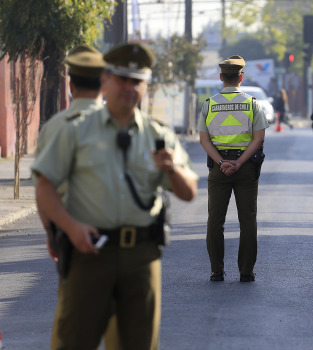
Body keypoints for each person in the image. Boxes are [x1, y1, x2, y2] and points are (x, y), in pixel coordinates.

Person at [33, 42, 198, 349]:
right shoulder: (76, 130)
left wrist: (172, 169)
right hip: (90, 251)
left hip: (142, 257)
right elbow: (45, 186)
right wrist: (69, 228)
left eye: (136, 81)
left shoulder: (158, 134)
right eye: (121, 79)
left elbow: (189, 192)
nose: (129, 87)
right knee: (74, 341)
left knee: (137, 344)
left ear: (146, 86)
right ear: (105, 80)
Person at [34, 44, 122, 350]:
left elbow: (44, 188)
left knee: (69, 326)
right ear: (104, 83)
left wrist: (51, 231)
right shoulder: (124, 123)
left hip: (72, 235)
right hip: (124, 243)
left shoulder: (53, 128)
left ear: (70, 85)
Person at [197, 55, 269, 282]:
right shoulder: (252, 104)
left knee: (215, 220)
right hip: (246, 168)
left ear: (221, 77)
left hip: (219, 170)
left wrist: (221, 162)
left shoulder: (209, 104)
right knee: (248, 220)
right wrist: (239, 162)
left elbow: (204, 140)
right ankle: (246, 272)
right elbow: (258, 139)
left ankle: (216, 270)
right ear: (241, 77)